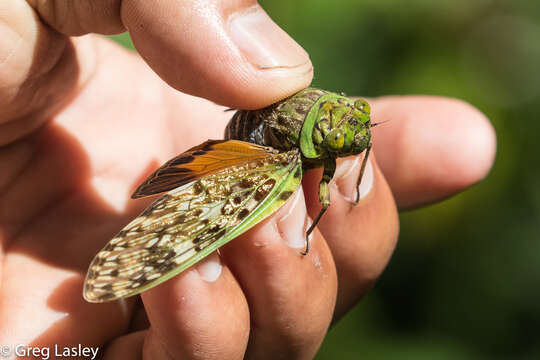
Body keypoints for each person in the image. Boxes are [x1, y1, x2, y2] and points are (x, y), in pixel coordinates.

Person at [0, 1, 496, 359]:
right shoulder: (288, 161)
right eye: (342, 123)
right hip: (261, 159)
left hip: (252, 140)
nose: (353, 125)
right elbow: (321, 195)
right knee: (260, 229)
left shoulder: (329, 117)